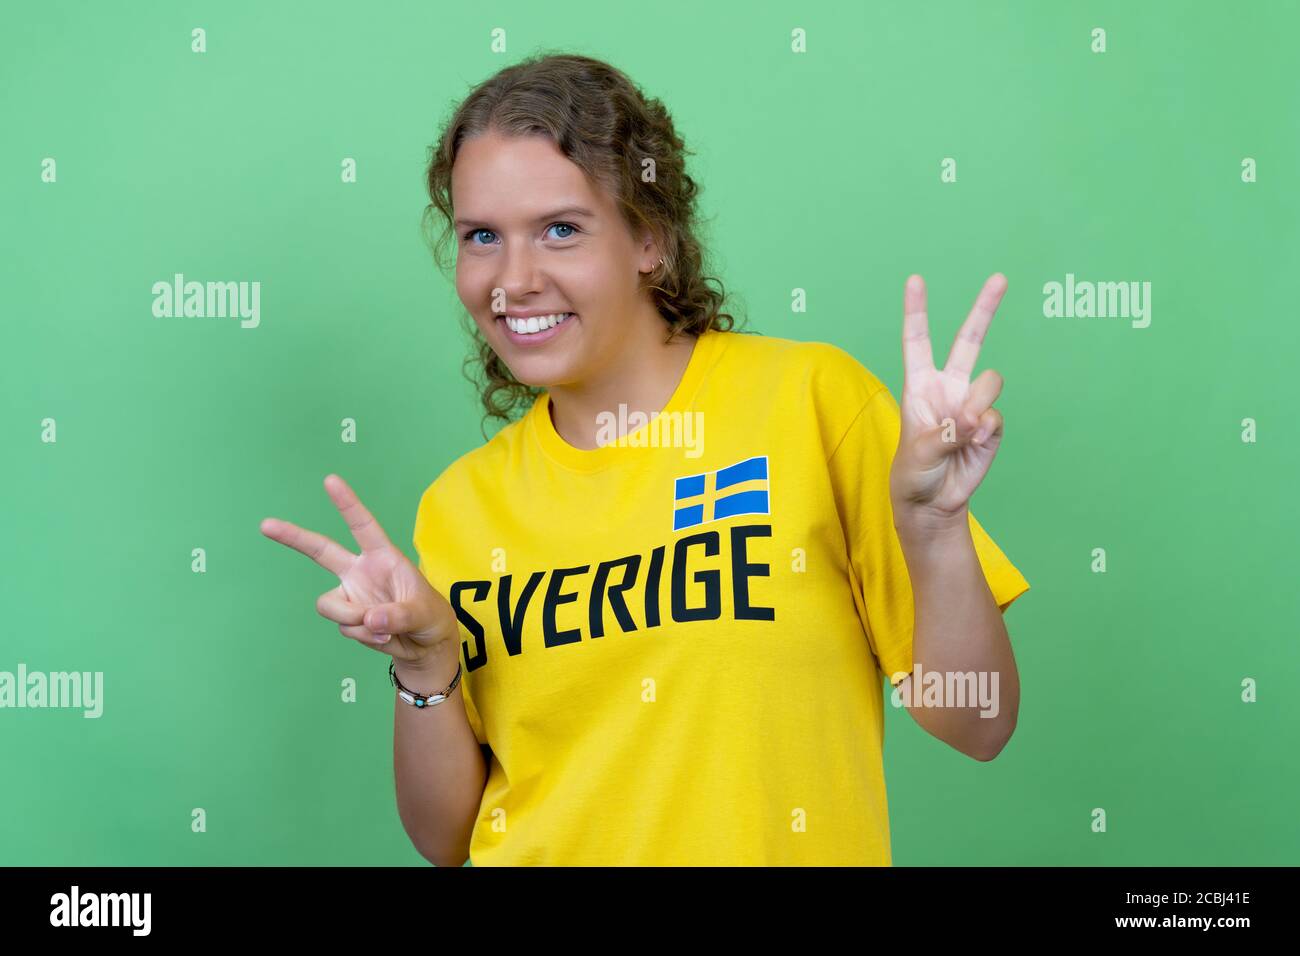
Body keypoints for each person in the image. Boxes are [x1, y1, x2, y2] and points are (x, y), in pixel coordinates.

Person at [261, 52, 1029, 867]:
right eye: (482, 236)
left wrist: (935, 530)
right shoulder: (459, 507)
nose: (513, 280)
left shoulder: (813, 403)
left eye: (561, 229)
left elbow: (979, 726)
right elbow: (447, 838)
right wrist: (424, 662)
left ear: (649, 238)